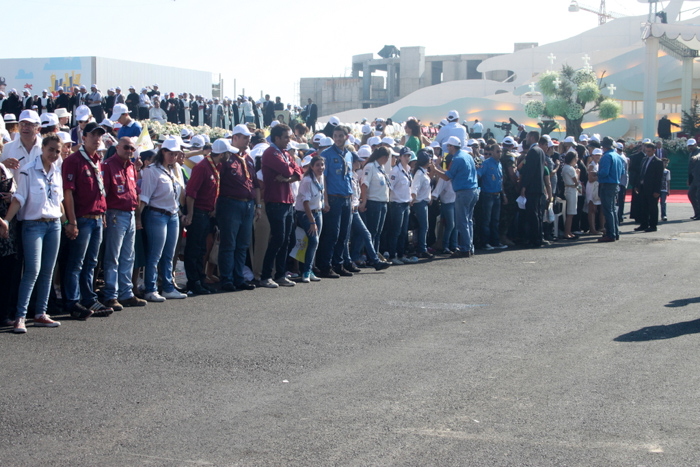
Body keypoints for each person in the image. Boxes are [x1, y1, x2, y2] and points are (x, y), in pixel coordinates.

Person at [0, 134, 64, 333]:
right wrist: (6, 222)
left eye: (57, 151)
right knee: (32, 271)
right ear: (42, 148)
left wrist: (69, 223)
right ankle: (20, 315)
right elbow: (19, 199)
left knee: (47, 271)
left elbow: (58, 202)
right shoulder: (28, 171)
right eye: (51, 149)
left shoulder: (56, 172)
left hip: (54, 224)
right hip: (33, 225)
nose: (54, 154)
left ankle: (40, 313)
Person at [62, 122, 114, 319]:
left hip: (97, 218)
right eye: (93, 135)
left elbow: (99, 190)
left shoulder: (97, 160)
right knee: (76, 262)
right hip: (82, 218)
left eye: (99, 135)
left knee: (91, 262)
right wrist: (72, 221)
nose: (97, 138)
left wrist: (103, 214)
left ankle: (88, 298)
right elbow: (68, 193)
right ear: (83, 138)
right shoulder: (74, 160)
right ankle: (73, 301)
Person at [101, 137, 147, 309]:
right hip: (115, 213)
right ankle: (111, 294)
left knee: (128, 256)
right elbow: (104, 192)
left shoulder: (131, 167)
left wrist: (137, 216)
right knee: (113, 256)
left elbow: (134, 192)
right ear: (117, 147)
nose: (129, 151)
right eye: (126, 148)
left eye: (132, 149)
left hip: (129, 213)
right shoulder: (108, 165)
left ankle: (126, 293)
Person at [140, 137, 188, 301]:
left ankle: (167, 286)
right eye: (170, 153)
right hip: (156, 213)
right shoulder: (151, 170)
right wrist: (139, 219)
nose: (173, 157)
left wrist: (179, 213)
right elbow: (144, 197)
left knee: (168, 254)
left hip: (172, 214)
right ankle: (150, 288)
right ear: (162, 152)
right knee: (155, 254)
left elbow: (178, 196)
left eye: (175, 154)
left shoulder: (175, 170)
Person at [216, 124, 261, 291]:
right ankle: (227, 278)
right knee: (229, 243)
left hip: (247, 204)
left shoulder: (248, 158)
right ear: (235, 138)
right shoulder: (226, 157)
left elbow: (255, 184)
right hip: (230, 203)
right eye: (244, 136)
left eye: (249, 136)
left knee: (242, 244)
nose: (248, 139)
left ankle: (238, 277)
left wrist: (258, 205)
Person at [184, 138, 231, 295]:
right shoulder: (202, 167)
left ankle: (200, 279)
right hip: (198, 212)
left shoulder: (215, 166)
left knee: (201, 248)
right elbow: (191, 193)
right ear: (222, 154)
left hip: (206, 213)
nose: (229, 155)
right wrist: (190, 214)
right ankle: (193, 282)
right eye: (227, 153)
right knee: (194, 248)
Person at [260, 123, 303, 288]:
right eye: (286, 137)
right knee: (278, 239)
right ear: (276, 138)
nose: (288, 140)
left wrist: (287, 179)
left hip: (287, 201)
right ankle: (266, 275)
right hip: (276, 201)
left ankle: (280, 274)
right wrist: (290, 174)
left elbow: (298, 172)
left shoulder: (284, 153)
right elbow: (287, 169)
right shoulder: (270, 153)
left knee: (287, 240)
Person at [316, 125, 355, 278]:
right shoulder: (326, 154)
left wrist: (351, 199)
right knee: (332, 234)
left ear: (347, 136)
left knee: (344, 234)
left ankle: (338, 264)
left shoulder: (349, 154)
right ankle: (325, 265)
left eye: (340, 136)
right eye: (335, 136)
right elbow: (323, 178)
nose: (337, 139)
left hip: (346, 197)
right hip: (333, 197)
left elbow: (349, 178)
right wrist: (325, 200)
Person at [431, 136, 479, 257]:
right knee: (468, 220)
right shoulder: (467, 156)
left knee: (462, 221)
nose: (447, 148)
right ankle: (469, 246)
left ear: (452, 147)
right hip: (473, 190)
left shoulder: (457, 159)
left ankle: (464, 248)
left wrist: (435, 169)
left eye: (448, 146)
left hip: (463, 192)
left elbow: (447, 177)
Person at [295, 155, 325, 282]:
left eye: (322, 165)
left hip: (318, 212)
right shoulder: (307, 180)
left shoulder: (321, 177)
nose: (320, 167)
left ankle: (310, 269)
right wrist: (312, 221)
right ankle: (306, 271)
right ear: (312, 167)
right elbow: (305, 202)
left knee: (315, 242)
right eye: (317, 165)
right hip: (306, 213)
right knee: (313, 240)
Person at [359, 147, 391, 256]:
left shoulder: (381, 168)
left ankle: (375, 254)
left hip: (382, 202)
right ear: (384, 157)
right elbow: (364, 185)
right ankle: (370, 255)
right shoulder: (370, 166)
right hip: (374, 202)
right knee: (372, 231)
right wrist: (364, 201)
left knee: (378, 232)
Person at [386, 147, 415, 264]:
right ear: (400, 157)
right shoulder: (395, 171)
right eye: (405, 156)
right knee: (396, 231)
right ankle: (393, 256)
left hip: (405, 203)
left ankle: (401, 254)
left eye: (409, 156)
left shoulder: (408, 170)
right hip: (397, 204)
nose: (407, 158)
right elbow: (390, 187)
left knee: (404, 232)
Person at [519, 131, 547, 248]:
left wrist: (524, 185)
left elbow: (529, 171)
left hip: (532, 187)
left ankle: (535, 238)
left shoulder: (533, 151)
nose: (526, 138)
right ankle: (539, 237)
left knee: (533, 214)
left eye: (527, 136)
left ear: (532, 137)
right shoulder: (540, 150)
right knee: (538, 214)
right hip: (539, 186)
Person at [478, 144, 507, 250]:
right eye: (497, 151)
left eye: (500, 151)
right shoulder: (486, 163)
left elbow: (501, 180)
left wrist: (503, 194)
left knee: (495, 220)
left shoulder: (499, 163)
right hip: (488, 195)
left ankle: (495, 241)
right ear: (492, 152)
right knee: (486, 220)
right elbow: (478, 175)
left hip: (497, 194)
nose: (500, 153)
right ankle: (485, 242)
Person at [0, 110, 42, 179]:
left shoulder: (46, 148)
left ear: (38, 129)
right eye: (22, 124)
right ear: (18, 127)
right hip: (16, 189)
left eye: (29, 124)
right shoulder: (7, 148)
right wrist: (3, 166)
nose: (25, 127)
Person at [597, 137, 625, 243]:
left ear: (604, 146)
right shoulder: (618, 156)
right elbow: (622, 172)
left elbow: (604, 172)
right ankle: (615, 232)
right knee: (612, 210)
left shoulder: (606, 156)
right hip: (615, 184)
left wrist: (596, 173)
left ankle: (610, 234)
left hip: (607, 184)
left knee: (608, 210)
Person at [634, 142, 664, 232]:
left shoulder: (658, 162)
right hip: (643, 187)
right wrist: (637, 185)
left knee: (652, 207)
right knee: (643, 206)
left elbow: (659, 178)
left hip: (652, 188)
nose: (647, 153)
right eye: (646, 151)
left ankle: (653, 225)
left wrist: (657, 190)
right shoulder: (644, 160)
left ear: (654, 151)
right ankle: (644, 224)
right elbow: (641, 173)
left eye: (649, 151)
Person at [411, 150, 433, 258]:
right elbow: (415, 187)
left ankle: (421, 247)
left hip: (424, 201)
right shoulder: (419, 173)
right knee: (424, 226)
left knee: (423, 226)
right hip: (419, 202)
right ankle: (421, 248)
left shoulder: (423, 172)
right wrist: (413, 199)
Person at [562, 152, 580, 239]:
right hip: (571, 190)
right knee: (570, 212)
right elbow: (576, 182)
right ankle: (567, 232)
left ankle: (568, 231)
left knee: (570, 212)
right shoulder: (570, 168)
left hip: (568, 189)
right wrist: (578, 173)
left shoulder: (565, 167)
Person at [586, 148, 603, 236]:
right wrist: (599, 176)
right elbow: (590, 179)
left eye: (599, 155)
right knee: (592, 208)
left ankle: (598, 227)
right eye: (596, 155)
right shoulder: (591, 165)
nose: (598, 156)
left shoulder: (598, 165)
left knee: (596, 209)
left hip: (597, 188)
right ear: (593, 156)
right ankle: (592, 229)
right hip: (592, 188)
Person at [686, 139, 700, 219]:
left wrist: (696, 157)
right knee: (691, 194)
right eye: (689, 146)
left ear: (695, 144)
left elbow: (699, 155)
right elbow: (690, 168)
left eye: (692, 145)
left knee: (698, 195)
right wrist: (689, 179)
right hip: (694, 178)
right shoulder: (690, 154)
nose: (690, 147)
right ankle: (697, 213)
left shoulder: (698, 151)